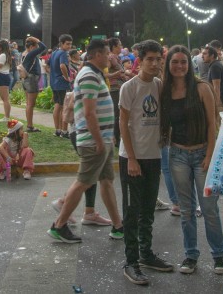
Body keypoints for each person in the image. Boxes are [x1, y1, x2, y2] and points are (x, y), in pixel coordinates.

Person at [48, 39, 124, 243]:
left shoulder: (94, 74)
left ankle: (118, 225)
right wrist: (99, 140)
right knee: (83, 182)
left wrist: (108, 136)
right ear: (97, 55)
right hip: (93, 141)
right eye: (107, 53)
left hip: (102, 139)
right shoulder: (89, 75)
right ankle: (59, 225)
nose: (110, 57)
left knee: (106, 181)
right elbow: (89, 113)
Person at [160, 45, 223, 275]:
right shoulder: (165, 90)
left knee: (209, 208)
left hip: (202, 154)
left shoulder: (201, 88)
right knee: (186, 210)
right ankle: (191, 255)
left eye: (183, 62)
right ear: (168, 65)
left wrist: (209, 155)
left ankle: (218, 256)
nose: (179, 66)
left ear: (190, 65)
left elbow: (212, 123)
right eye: (175, 62)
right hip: (177, 155)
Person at [118, 40, 172, 285]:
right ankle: (131, 261)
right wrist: (131, 157)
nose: (155, 63)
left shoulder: (160, 85)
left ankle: (146, 254)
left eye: (158, 59)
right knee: (132, 212)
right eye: (149, 59)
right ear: (140, 60)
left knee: (148, 210)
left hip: (153, 156)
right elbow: (123, 124)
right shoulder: (130, 87)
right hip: (132, 158)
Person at [49, 35, 74, 137]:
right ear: (62, 43)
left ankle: (58, 130)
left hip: (54, 82)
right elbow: (62, 65)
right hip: (62, 83)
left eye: (70, 44)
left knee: (57, 106)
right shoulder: (63, 53)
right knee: (65, 107)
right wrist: (67, 77)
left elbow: (47, 65)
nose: (69, 46)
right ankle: (64, 131)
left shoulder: (54, 53)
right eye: (67, 44)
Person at [20, 37, 47, 132]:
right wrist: (35, 39)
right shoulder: (31, 54)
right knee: (31, 104)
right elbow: (43, 47)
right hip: (31, 80)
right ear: (31, 47)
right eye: (35, 47)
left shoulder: (23, 54)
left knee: (28, 104)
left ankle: (29, 125)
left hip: (26, 79)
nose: (37, 48)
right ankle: (30, 126)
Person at [203, 46, 223, 114]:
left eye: (205, 54)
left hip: (220, 103)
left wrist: (216, 103)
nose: (202, 56)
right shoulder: (217, 64)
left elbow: (216, 87)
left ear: (212, 55)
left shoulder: (215, 66)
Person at [0, 40, 14, 122]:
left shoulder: (3, 55)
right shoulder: (5, 55)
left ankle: (7, 117)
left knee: (5, 99)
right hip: (3, 76)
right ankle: (6, 116)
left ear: (1, 47)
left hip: (2, 76)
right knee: (5, 98)